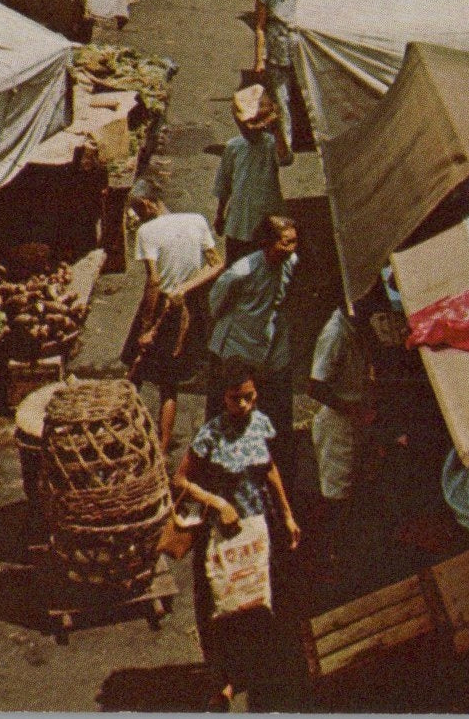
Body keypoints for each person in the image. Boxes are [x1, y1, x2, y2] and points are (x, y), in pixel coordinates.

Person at [173, 362, 301, 712]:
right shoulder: (210, 434)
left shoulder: (261, 424)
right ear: (223, 399)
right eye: (235, 399)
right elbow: (181, 481)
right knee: (221, 609)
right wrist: (218, 502)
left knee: (258, 603)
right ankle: (224, 682)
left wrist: (288, 515)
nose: (243, 405)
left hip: (260, 526)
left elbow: (270, 470)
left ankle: (257, 673)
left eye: (249, 397)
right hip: (222, 534)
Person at [123, 184, 223, 455]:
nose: (137, 217)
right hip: (187, 308)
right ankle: (163, 445)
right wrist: (186, 287)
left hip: (160, 310)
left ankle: (123, 429)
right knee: (169, 383)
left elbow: (153, 282)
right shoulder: (196, 221)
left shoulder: (147, 232)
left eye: (136, 210)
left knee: (134, 370)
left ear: (147, 204)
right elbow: (216, 264)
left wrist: (146, 326)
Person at [206, 216, 299, 484]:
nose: (292, 248)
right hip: (236, 350)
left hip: (269, 349)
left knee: (271, 413)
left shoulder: (289, 264)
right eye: (286, 242)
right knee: (227, 413)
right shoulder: (242, 272)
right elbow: (216, 304)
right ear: (267, 244)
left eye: (294, 242)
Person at [307, 306, 373, 572]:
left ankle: (338, 550)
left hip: (353, 418)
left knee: (348, 490)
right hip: (338, 421)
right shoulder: (334, 334)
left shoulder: (355, 327)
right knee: (335, 495)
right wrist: (352, 410)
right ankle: (322, 555)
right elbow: (315, 386)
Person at [213, 86, 287, 266]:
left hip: (266, 215)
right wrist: (220, 214)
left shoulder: (271, 143)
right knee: (237, 263)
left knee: (265, 262)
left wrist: (277, 129)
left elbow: (285, 158)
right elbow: (225, 182)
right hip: (238, 218)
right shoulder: (234, 146)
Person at [255, 0, 296, 154]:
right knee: (281, 101)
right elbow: (260, 28)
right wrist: (259, 60)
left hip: (297, 55)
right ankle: (284, 147)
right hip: (277, 56)